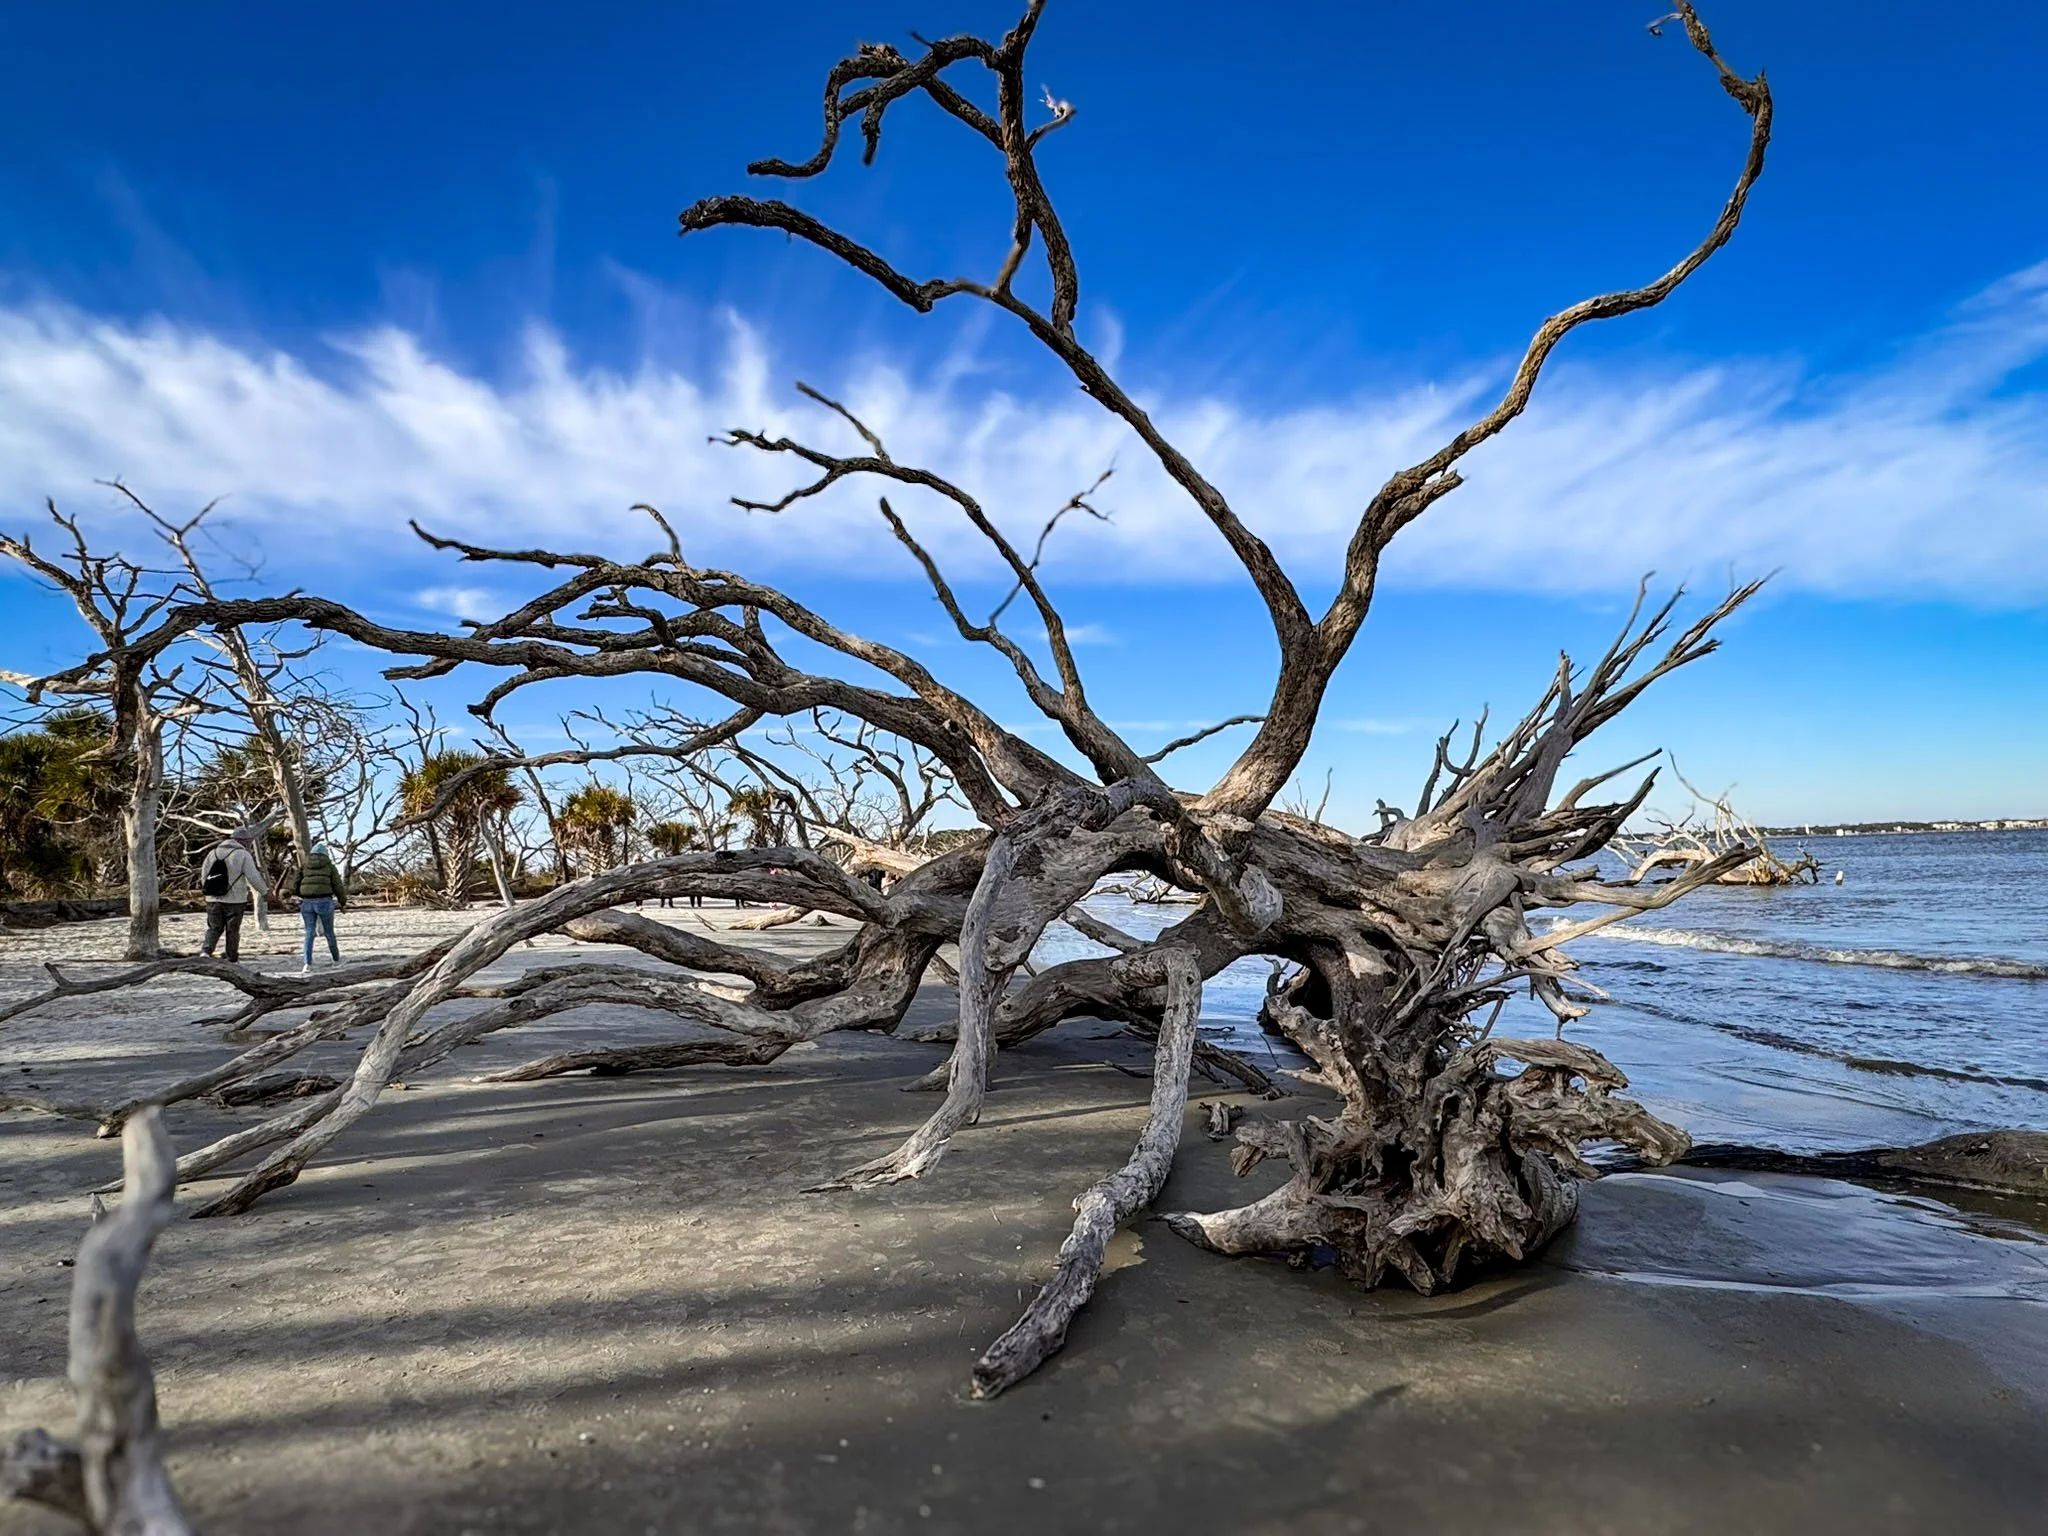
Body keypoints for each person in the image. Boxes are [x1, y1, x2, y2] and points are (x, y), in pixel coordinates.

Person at [199, 826, 270, 964]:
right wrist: (264, 891)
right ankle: (231, 956)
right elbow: (253, 876)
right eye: (248, 841)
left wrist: (208, 892)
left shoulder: (212, 853)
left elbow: (204, 875)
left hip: (213, 898)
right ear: (243, 840)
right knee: (232, 929)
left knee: (214, 927)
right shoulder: (243, 855)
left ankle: (206, 951)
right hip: (235, 899)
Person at [295, 839, 346, 975]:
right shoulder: (329, 866)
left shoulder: (304, 865)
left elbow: (296, 882)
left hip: (306, 902)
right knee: (329, 933)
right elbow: (337, 885)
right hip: (324, 901)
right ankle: (336, 960)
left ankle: (307, 964)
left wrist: (300, 895)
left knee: (309, 933)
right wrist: (343, 901)